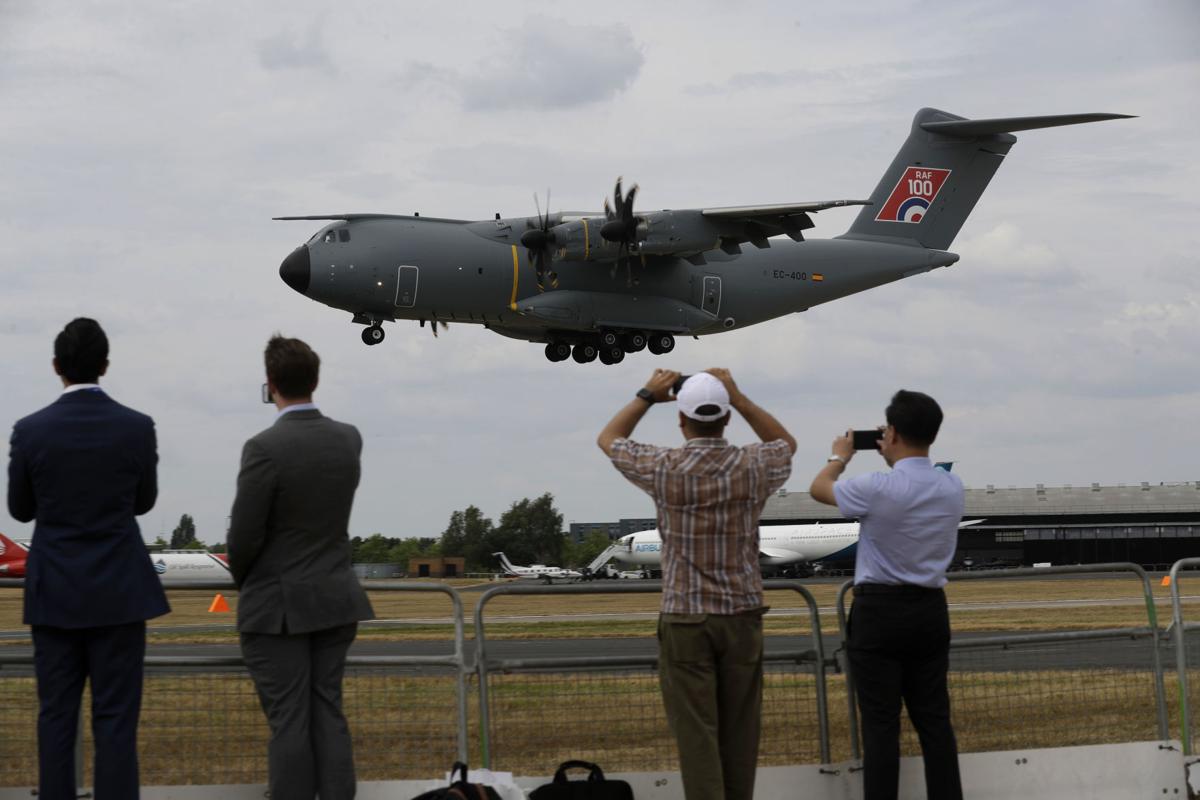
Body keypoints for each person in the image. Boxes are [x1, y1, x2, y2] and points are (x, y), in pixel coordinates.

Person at [598, 369, 795, 800]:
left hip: (686, 616)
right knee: (742, 734)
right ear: (726, 418)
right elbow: (785, 445)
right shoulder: (753, 465)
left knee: (697, 736)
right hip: (742, 616)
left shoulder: (665, 467)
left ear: (681, 421)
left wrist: (647, 395)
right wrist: (740, 397)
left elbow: (609, 437)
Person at [6, 317, 170, 800]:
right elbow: (144, 502)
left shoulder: (30, 430)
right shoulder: (137, 427)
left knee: (56, 717)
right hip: (120, 591)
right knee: (116, 720)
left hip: (54, 592)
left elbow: (20, 509)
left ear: (57, 366)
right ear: (105, 365)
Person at [227, 335, 375, 800]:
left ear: (270, 385)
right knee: (327, 712)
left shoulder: (264, 448)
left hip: (279, 608)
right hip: (336, 599)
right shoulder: (347, 438)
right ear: (315, 379)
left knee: (289, 721)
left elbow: (244, 536)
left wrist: (246, 579)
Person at [809, 390, 964, 800]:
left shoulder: (876, 487)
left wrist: (840, 456)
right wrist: (895, 453)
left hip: (879, 612)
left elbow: (819, 489)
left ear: (890, 433)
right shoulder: (952, 486)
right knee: (935, 723)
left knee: (880, 727)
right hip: (930, 610)